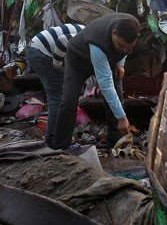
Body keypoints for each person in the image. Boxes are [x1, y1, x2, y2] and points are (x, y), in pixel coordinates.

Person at [49, 13, 140, 150]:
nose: (124, 50)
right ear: (113, 33)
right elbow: (106, 85)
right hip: (78, 60)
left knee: (117, 97)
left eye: (128, 48)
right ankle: (61, 146)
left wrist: (120, 63)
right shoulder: (98, 42)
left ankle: (115, 143)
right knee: (68, 101)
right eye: (120, 46)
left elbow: (124, 49)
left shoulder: (132, 26)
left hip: (108, 60)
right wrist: (122, 118)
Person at [25, 23, 85, 147]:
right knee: (58, 97)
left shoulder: (92, 32)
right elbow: (63, 40)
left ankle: (55, 137)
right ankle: (53, 139)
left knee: (57, 95)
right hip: (42, 52)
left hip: (36, 49)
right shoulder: (88, 39)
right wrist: (57, 64)